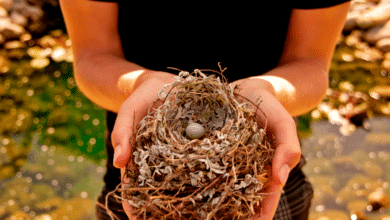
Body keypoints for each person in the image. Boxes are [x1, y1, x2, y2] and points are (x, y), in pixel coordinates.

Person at [59, 1, 350, 219]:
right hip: (145, 178)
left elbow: (310, 61)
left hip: (261, 176)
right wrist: (143, 85)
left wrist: (266, 92)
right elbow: (92, 55)